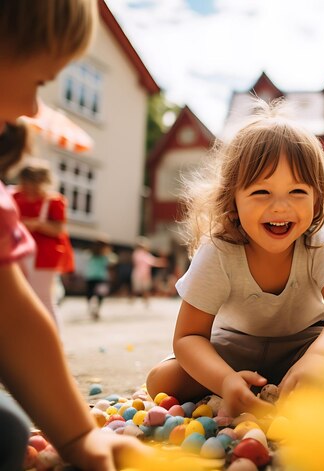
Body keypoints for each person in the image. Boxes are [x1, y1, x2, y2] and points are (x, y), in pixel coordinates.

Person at [146, 101, 324, 417]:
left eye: (297, 192)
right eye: (262, 192)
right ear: (232, 200)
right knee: (162, 381)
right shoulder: (220, 250)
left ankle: (296, 377)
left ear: (317, 197)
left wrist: (319, 358)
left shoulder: (319, 242)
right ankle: (249, 386)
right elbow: (188, 337)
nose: (280, 207)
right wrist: (224, 381)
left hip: (304, 343)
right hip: (236, 348)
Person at [0, 1, 150, 469]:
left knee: (9, 427)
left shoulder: (33, 203)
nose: (30, 109)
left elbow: (13, 317)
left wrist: (80, 436)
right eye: (39, 82)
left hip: (44, 261)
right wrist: (80, 436)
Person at [12, 159, 73, 325]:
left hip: (44, 256)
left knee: (44, 297)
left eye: (33, 184)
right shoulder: (14, 196)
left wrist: (37, 224)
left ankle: (52, 337)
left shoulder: (53, 201)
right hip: (17, 252)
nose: (29, 188)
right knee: (17, 295)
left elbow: (59, 229)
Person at [85, 237, 117, 320]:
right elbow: (113, 261)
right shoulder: (106, 255)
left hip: (92, 276)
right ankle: (96, 309)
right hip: (101, 277)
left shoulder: (92, 254)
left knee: (91, 294)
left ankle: (92, 309)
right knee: (99, 295)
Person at [131, 236, 167, 306]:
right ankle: (137, 300)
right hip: (139, 273)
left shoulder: (143, 254)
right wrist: (160, 262)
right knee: (137, 288)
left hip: (144, 274)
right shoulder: (138, 253)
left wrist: (161, 262)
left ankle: (145, 301)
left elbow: (153, 261)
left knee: (144, 289)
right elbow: (151, 261)